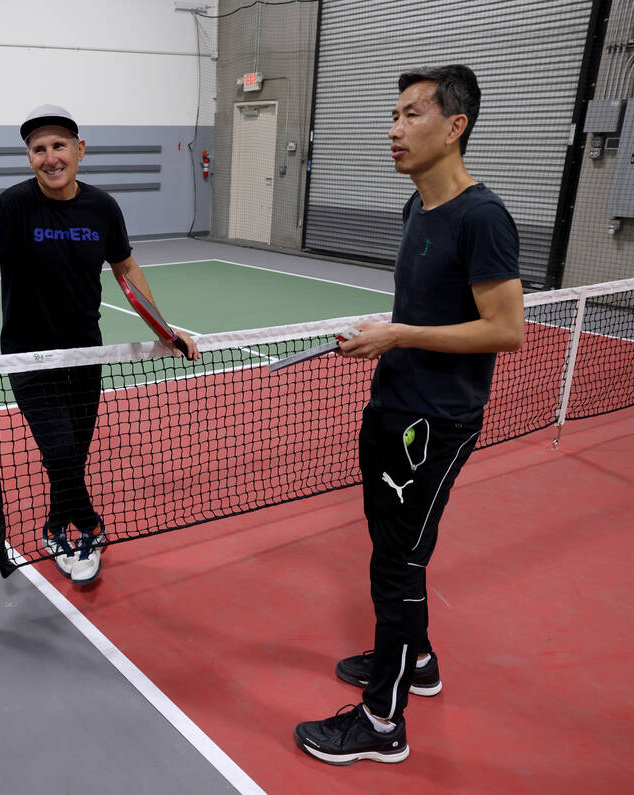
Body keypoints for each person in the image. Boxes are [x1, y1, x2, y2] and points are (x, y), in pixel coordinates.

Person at [294, 65, 524, 765]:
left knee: (397, 562)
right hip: (392, 404)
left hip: (438, 421)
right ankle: (415, 656)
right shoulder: (415, 208)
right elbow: (423, 311)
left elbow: (506, 328)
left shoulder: (482, 217)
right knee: (394, 551)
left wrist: (398, 336)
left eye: (411, 114)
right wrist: (384, 334)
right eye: (393, 115)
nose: (394, 129)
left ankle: (382, 721)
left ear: (455, 127)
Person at [0, 104, 197, 586]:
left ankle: (57, 525)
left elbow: (126, 269)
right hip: (29, 355)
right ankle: (89, 526)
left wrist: (165, 328)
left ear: (80, 150)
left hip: (86, 354)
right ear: (29, 158)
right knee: (58, 450)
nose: (50, 158)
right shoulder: (13, 206)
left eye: (59, 146)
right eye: (39, 150)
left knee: (73, 453)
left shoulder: (102, 207)